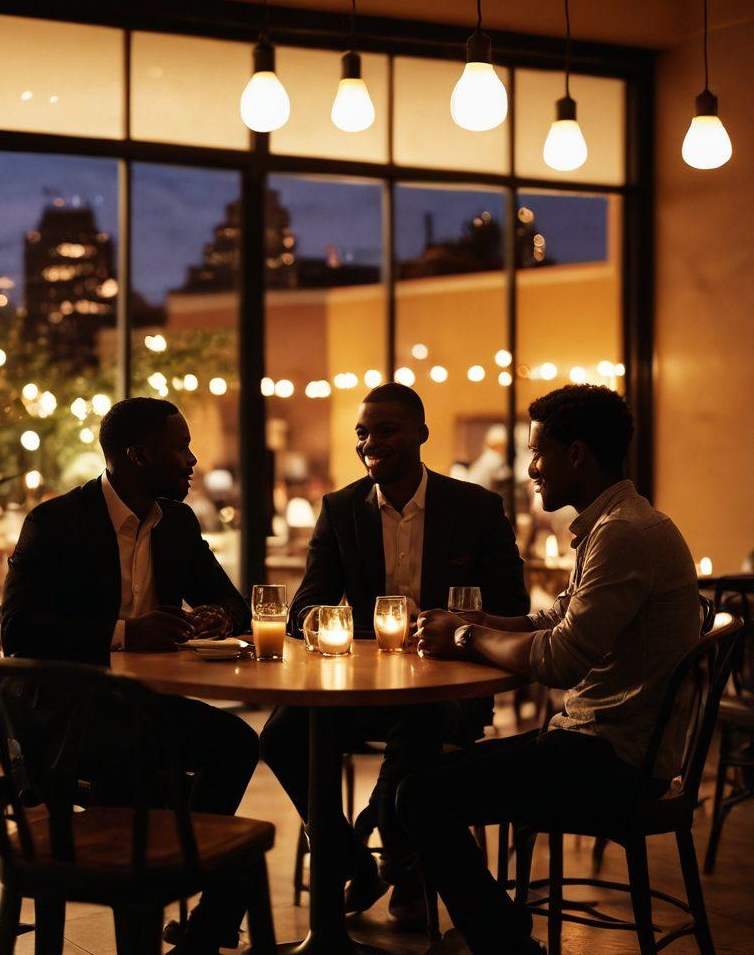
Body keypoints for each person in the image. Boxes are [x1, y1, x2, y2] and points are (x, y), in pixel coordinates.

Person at [403, 384, 700, 955]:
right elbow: (555, 618)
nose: (531, 468)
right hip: (599, 745)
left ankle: (505, 943)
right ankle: (492, 927)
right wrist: (481, 619)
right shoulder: (615, 523)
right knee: (427, 769)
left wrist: (466, 635)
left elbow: (560, 659)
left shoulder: (625, 534)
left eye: (539, 453)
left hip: (616, 762)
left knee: (420, 796)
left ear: (578, 454)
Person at [259, 382, 529, 925]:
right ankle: (359, 860)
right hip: (364, 689)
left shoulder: (475, 508)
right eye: (362, 432)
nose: (370, 442)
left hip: (448, 689)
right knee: (281, 734)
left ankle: (399, 857)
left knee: (419, 732)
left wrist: (459, 628)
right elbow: (305, 607)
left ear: (421, 434)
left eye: (386, 430)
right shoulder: (340, 510)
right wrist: (320, 623)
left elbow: (513, 606)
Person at [1, 397, 257, 955]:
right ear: (139, 456)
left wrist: (216, 616)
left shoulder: (177, 523)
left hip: (136, 706)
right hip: (64, 715)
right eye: (181, 446)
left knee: (237, 741)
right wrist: (123, 632)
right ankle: (185, 880)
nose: (193, 459)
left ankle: (197, 909)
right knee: (163, 785)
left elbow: (231, 602)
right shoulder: (55, 522)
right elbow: (17, 630)